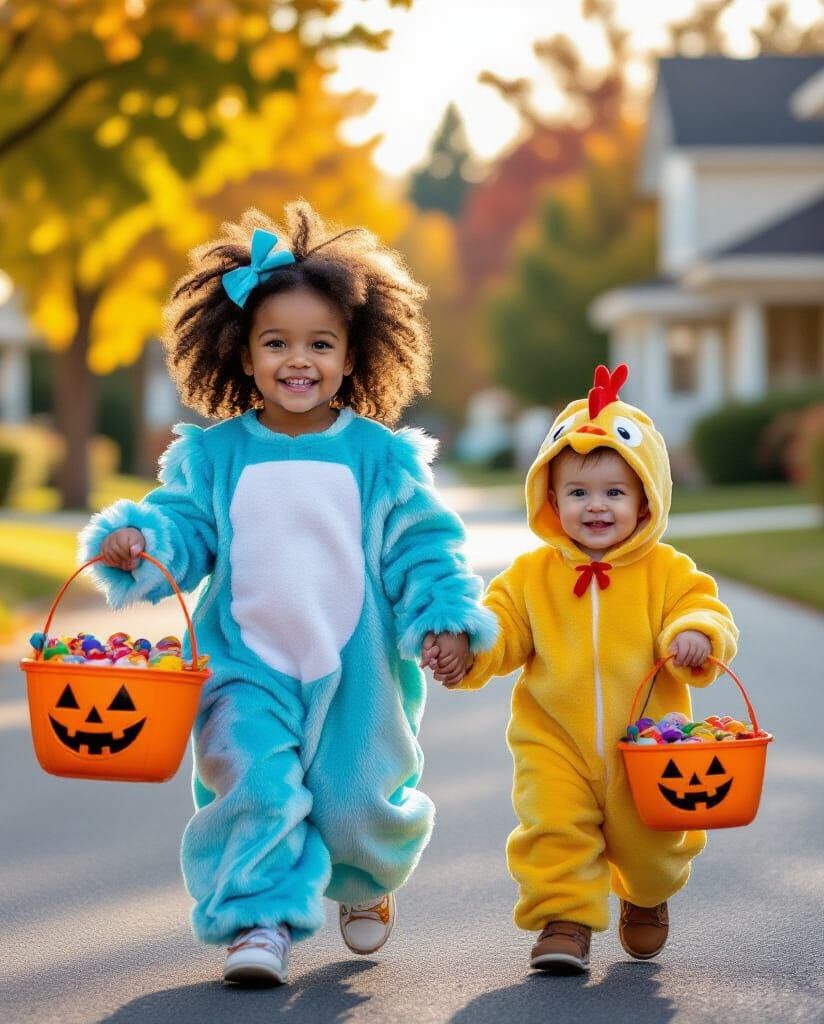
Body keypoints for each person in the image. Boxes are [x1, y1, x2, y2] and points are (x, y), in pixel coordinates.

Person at [79, 201, 496, 987]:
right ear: (242, 353)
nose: (297, 360)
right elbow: (183, 530)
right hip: (245, 664)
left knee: (352, 806)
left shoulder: (381, 458)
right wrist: (141, 541)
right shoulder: (215, 455)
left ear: (353, 355)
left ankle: (365, 884)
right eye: (276, 342)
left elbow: (423, 548)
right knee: (255, 786)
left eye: (320, 343)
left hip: (358, 671)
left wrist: (442, 616)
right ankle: (257, 920)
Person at [437, 364, 738, 973]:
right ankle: (564, 920)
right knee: (553, 828)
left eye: (614, 493)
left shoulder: (667, 572)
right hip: (555, 739)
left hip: (647, 745)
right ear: (551, 500)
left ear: (645, 499)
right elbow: (500, 631)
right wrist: (466, 648)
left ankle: (645, 896)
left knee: (652, 845)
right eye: (578, 493)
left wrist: (694, 636)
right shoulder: (529, 577)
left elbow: (706, 609)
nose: (595, 506)